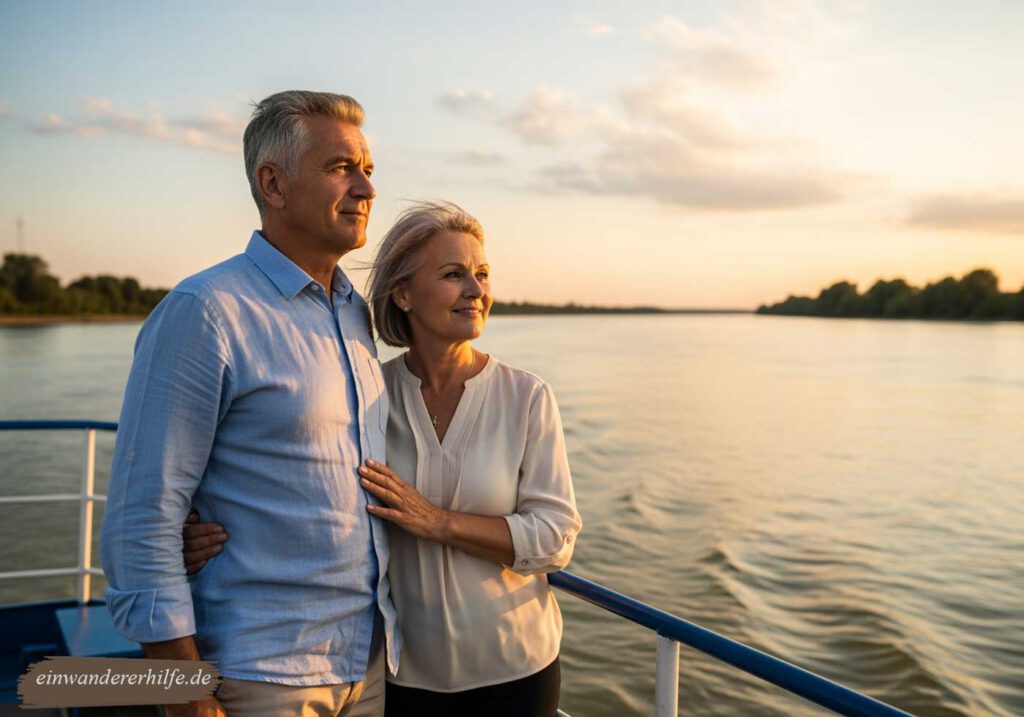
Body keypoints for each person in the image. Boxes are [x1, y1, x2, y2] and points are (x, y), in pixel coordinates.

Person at [186, 201, 582, 716]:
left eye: (482, 274)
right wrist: (198, 528)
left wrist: (439, 522)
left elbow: (555, 536)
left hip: (517, 671)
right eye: (453, 274)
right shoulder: (368, 393)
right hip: (400, 677)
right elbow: (305, 485)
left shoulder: (527, 397)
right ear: (403, 294)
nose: (477, 290)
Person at [100, 90, 399, 717]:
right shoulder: (206, 311)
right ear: (274, 184)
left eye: (368, 169)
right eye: (341, 167)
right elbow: (141, 514)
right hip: (257, 674)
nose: (367, 188)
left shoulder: (354, 313)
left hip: (367, 667)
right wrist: (181, 689)